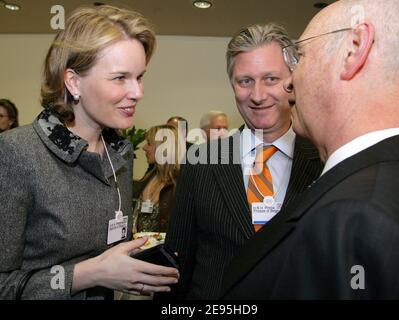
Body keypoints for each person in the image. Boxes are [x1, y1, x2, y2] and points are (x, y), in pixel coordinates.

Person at [222, 0, 399, 299]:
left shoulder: (358, 217)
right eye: (246, 81)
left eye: (299, 56)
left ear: (354, 50)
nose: (289, 83)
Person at [0, 5, 179, 300]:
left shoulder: (118, 156)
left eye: (139, 77)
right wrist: (90, 273)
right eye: (120, 78)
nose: (137, 92)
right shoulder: (17, 154)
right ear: (73, 82)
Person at [164, 23, 323, 299]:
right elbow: (175, 268)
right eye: (245, 81)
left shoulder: (325, 159)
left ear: (293, 80)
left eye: (271, 79)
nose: (258, 95)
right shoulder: (201, 161)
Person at [132, 125, 185, 234]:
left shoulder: (182, 183)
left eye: (149, 143)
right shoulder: (149, 176)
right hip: (138, 248)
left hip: (162, 250)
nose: (144, 147)